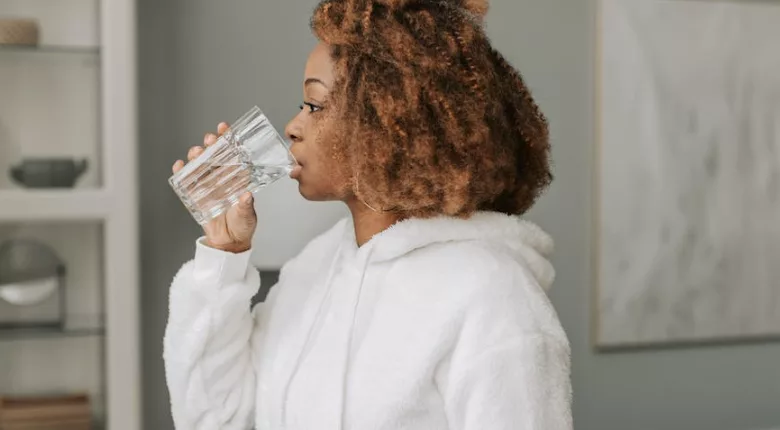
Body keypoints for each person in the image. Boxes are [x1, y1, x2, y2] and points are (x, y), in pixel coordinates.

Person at [163, 0, 572, 428]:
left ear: (389, 122)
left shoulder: (492, 297)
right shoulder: (314, 271)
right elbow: (218, 419)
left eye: (314, 105)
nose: (292, 126)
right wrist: (223, 255)